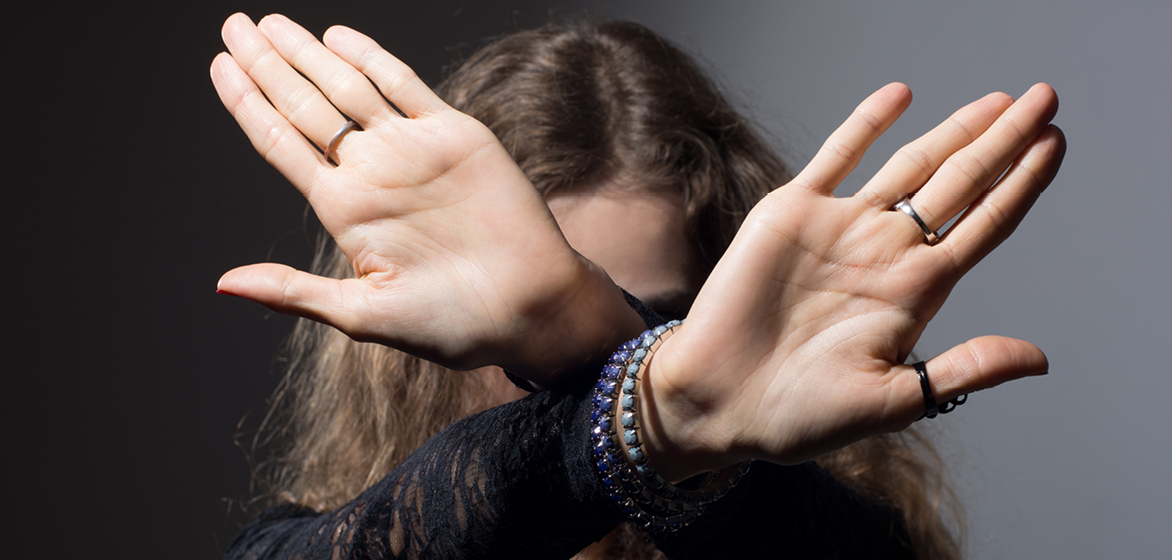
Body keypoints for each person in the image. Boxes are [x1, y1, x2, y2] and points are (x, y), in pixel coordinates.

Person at [211, 12, 1064, 560]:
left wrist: (623, 367)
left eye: (661, 318)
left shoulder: (822, 530)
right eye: (517, 345)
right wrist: (647, 402)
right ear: (412, 355)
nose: (585, 374)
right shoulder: (338, 539)